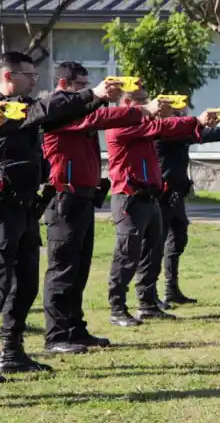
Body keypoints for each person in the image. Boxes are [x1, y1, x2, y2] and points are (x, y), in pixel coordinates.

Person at [0, 51, 122, 377]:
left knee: (24, 285)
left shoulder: (22, 107)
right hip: (3, 209)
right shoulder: (4, 109)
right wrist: (91, 94)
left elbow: (54, 115)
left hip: (24, 208)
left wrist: (95, 100)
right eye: (29, 75)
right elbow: (43, 110)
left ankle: (11, 352)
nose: (34, 81)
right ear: (9, 75)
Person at [41, 62, 168, 354]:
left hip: (83, 199)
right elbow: (101, 119)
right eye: (80, 85)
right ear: (64, 84)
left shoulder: (77, 111)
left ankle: (75, 329)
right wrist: (141, 110)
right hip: (64, 199)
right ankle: (57, 335)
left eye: (88, 83)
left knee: (80, 268)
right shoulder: (60, 113)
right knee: (63, 270)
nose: (87, 89)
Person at [105, 88, 218, 327]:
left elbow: (165, 129)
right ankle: (117, 308)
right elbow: (160, 129)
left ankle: (147, 304)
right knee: (127, 255)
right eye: (142, 102)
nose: (147, 105)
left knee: (153, 252)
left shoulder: (143, 123)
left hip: (150, 197)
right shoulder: (122, 125)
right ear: (127, 103)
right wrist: (195, 120)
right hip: (129, 198)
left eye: (147, 101)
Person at [154, 113, 220, 308]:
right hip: (161, 194)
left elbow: (196, 134)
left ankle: (171, 290)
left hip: (177, 193)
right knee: (155, 246)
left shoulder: (175, 131)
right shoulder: (160, 130)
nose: (181, 116)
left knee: (177, 240)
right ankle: (149, 296)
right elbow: (195, 135)